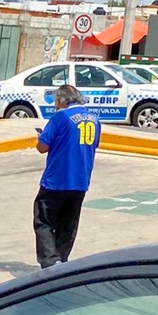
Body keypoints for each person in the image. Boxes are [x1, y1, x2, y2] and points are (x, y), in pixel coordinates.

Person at [34, 84, 100, 268]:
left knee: (44, 220)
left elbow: (42, 147)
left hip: (57, 179)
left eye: (56, 101)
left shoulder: (60, 117)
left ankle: (50, 260)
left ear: (62, 100)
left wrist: (40, 137)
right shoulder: (94, 119)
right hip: (80, 180)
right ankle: (62, 260)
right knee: (68, 223)